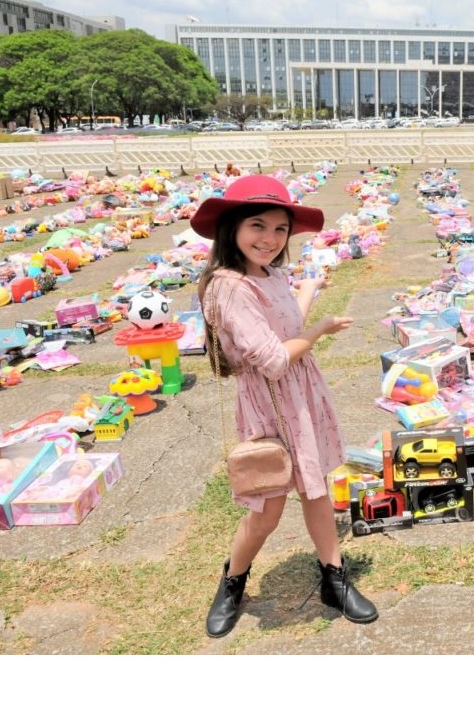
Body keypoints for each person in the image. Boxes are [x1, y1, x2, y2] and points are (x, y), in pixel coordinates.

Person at [191, 174, 378, 638]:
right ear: (231, 227)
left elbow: (285, 322)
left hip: (300, 396)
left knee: (316, 490)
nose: (270, 239)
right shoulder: (227, 287)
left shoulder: (270, 274)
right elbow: (274, 358)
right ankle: (233, 580)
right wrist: (318, 334)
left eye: (280, 229)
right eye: (258, 225)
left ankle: (334, 578)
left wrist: (311, 289)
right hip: (269, 403)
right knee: (267, 510)